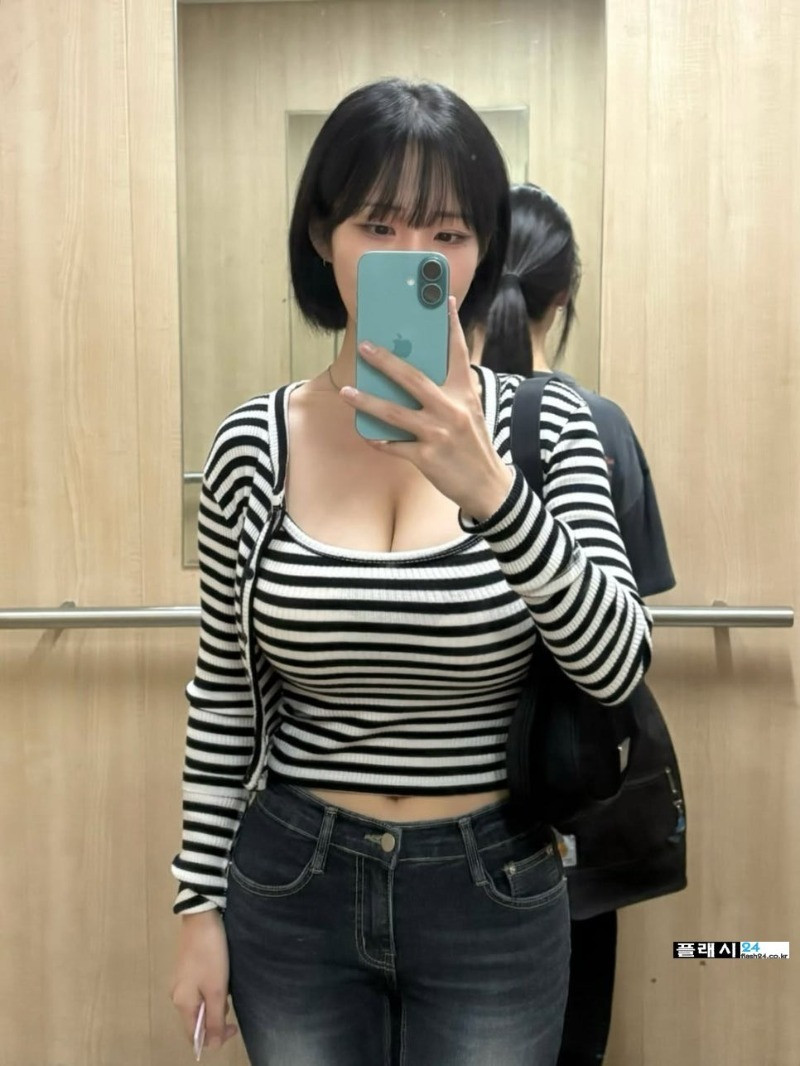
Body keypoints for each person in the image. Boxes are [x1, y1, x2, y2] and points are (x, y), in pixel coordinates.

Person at [169, 81, 653, 1066]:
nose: (414, 256)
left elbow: (615, 665)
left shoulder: (549, 426)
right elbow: (223, 695)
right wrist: (196, 907)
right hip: (290, 882)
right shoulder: (253, 444)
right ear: (322, 235)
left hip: (493, 884)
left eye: (447, 233)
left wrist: (493, 493)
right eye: (378, 226)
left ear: (482, 249)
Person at [472, 182, 676, 1065]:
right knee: (570, 1035)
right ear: (565, 298)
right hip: (568, 803)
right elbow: (630, 616)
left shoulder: (423, 433)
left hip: (448, 812)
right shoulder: (597, 425)